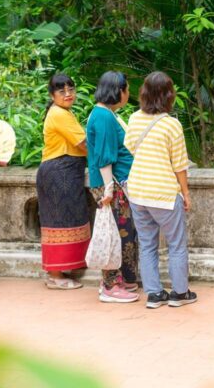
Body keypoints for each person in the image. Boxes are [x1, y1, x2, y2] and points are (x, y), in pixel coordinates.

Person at [124, 72, 195, 309]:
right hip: (163, 192)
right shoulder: (171, 124)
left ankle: (154, 294)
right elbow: (180, 164)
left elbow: (131, 146)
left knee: (147, 244)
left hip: (137, 191)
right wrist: (185, 193)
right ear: (169, 95)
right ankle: (180, 293)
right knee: (176, 244)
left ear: (143, 93)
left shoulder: (134, 119)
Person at [85, 71, 139, 303]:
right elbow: (105, 156)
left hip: (111, 183)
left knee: (120, 231)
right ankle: (110, 284)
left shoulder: (103, 114)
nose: (128, 95)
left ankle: (117, 280)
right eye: (126, 90)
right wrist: (109, 189)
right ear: (119, 91)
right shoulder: (104, 117)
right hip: (111, 184)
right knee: (115, 233)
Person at [37, 73, 92, 290]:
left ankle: (60, 271)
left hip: (65, 172)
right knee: (58, 222)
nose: (68, 94)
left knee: (68, 219)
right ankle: (55, 275)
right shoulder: (59, 114)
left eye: (71, 89)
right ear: (53, 95)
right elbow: (83, 144)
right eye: (62, 91)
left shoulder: (63, 112)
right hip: (59, 172)